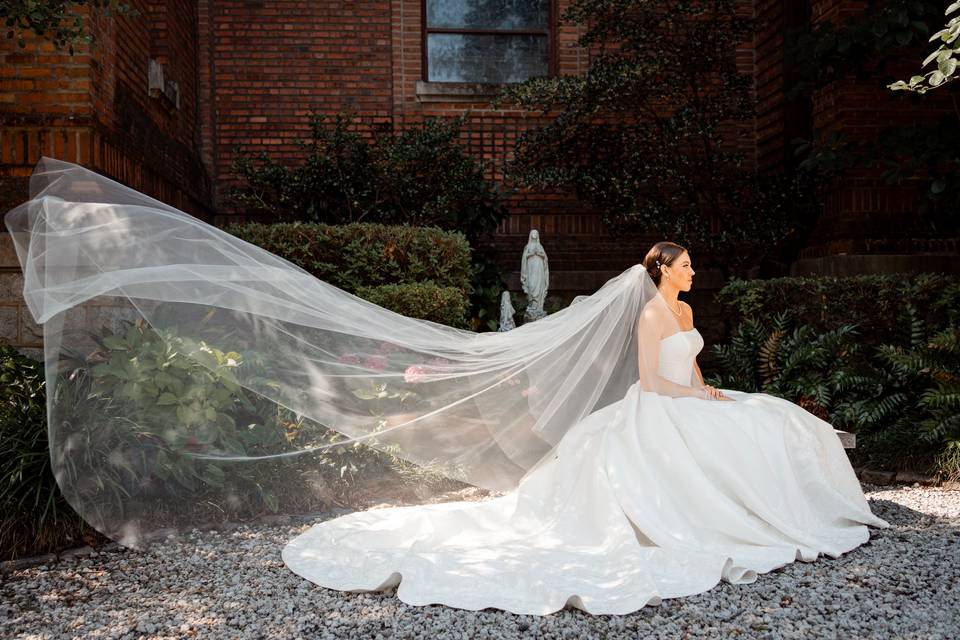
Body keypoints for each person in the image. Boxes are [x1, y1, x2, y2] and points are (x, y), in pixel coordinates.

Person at [5, 158, 889, 617]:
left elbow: (677, 375)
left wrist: (708, 397)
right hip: (667, 415)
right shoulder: (661, 312)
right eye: (689, 261)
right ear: (664, 272)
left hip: (663, 411)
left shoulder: (656, 313)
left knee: (766, 424)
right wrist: (714, 402)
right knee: (772, 429)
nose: (697, 268)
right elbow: (678, 384)